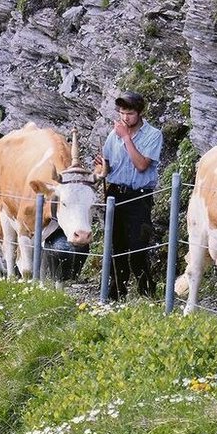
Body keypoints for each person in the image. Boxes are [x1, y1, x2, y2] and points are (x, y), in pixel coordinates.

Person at [93, 91, 163, 300]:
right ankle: (116, 295)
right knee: (116, 245)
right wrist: (101, 166)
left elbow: (142, 165)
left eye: (130, 113)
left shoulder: (153, 134)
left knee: (137, 247)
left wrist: (125, 138)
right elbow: (106, 164)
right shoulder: (113, 134)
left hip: (139, 196)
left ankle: (147, 295)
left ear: (139, 113)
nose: (125, 118)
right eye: (122, 113)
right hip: (115, 193)